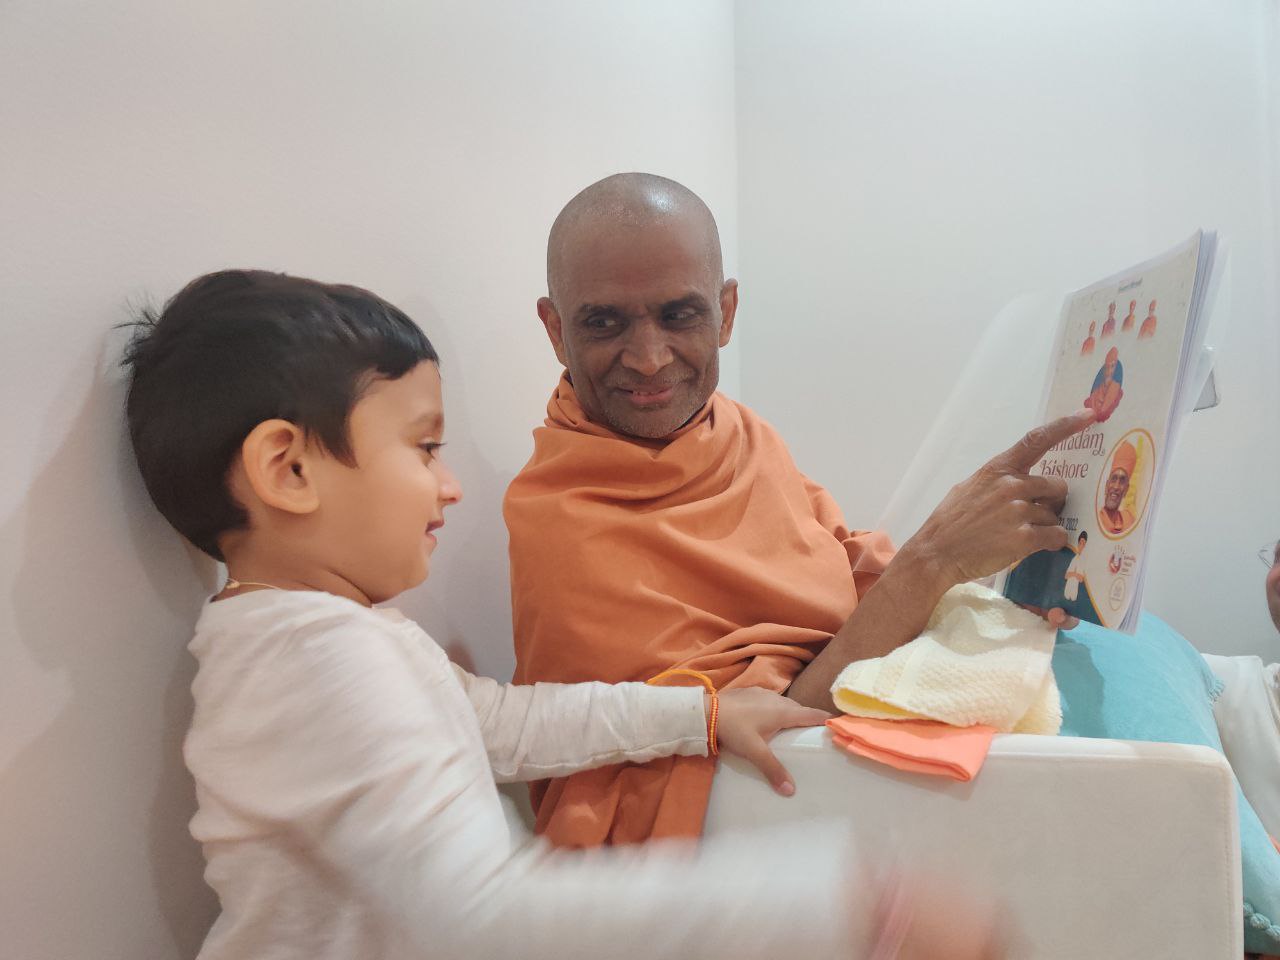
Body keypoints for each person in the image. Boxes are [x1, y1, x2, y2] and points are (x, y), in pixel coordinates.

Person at [123, 270, 1005, 960]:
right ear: (288, 471)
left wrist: (698, 715)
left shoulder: (324, 639)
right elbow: (486, 915)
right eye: (423, 447)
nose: (449, 483)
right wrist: (847, 906)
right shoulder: (314, 660)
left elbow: (505, 724)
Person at [506, 172, 1094, 847]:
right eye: (604, 322)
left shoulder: (735, 432)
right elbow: (753, 757)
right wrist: (935, 562)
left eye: (679, 315)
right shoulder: (562, 522)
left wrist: (999, 583)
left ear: (726, 312)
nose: (648, 358)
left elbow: (848, 567)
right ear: (556, 329)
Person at [1098, 440, 1137, 535]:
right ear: (1106, 486)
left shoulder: (1129, 520)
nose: (1116, 487)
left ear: (1126, 490)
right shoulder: (1097, 519)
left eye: (1122, 481)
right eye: (1114, 479)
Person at [1084, 346, 1124, 423]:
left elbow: (1106, 407)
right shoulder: (1098, 387)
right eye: (1107, 367)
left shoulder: (1115, 387)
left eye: (1112, 366)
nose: (1109, 370)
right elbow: (1093, 400)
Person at [1063, 531, 1088, 602]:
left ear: (1085, 546)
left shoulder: (1085, 559)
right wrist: (1075, 574)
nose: (1081, 546)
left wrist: (1073, 574)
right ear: (1078, 544)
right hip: (1067, 593)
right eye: (1080, 543)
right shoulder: (1074, 559)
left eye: (1083, 544)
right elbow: (1066, 576)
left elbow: (1081, 579)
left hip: (1075, 595)